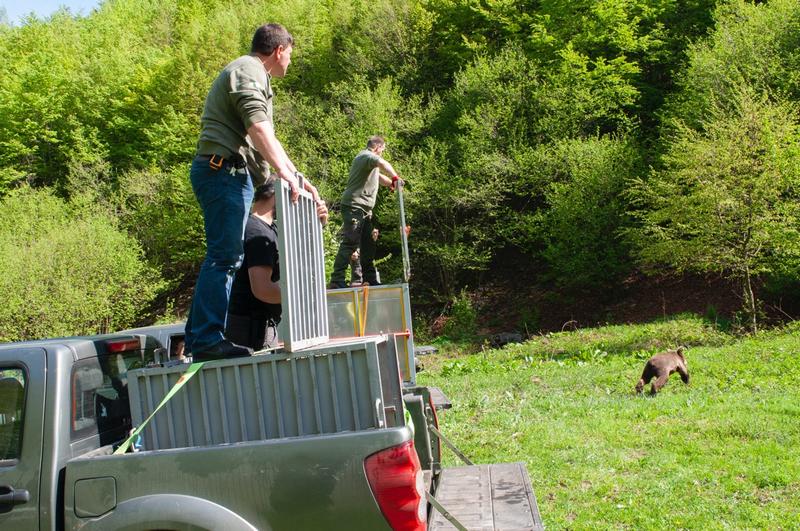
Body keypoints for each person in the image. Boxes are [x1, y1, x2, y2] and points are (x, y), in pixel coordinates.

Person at [185, 23, 324, 361]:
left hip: (232, 174)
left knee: (227, 255)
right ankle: (205, 340)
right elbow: (258, 128)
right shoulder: (248, 70)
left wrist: (297, 177)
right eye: (290, 53)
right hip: (222, 172)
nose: (291, 60)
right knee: (224, 256)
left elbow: (268, 139)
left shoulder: (256, 75)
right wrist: (283, 173)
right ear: (279, 50)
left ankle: (205, 337)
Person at [225, 179, 329, 350]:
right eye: (294, 196)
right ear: (276, 195)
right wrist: (304, 298)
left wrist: (317, 224)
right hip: (250, 333)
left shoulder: (270, 229)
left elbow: (299, 255)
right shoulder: (256, 232)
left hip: (258, 327)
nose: (295, 202)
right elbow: (262, 289)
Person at [329, 136, 404, 289]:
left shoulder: (369, 163)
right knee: (350, 242)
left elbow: (380, 178)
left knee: (369, 244)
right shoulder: (366, 156)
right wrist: (395, 176)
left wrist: (392, 184)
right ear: (377, 147)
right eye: (382, 149)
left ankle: (369, 278)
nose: (382, 153)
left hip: (364, 210)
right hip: (354, 206)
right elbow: (382, 163)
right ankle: (337, 279)